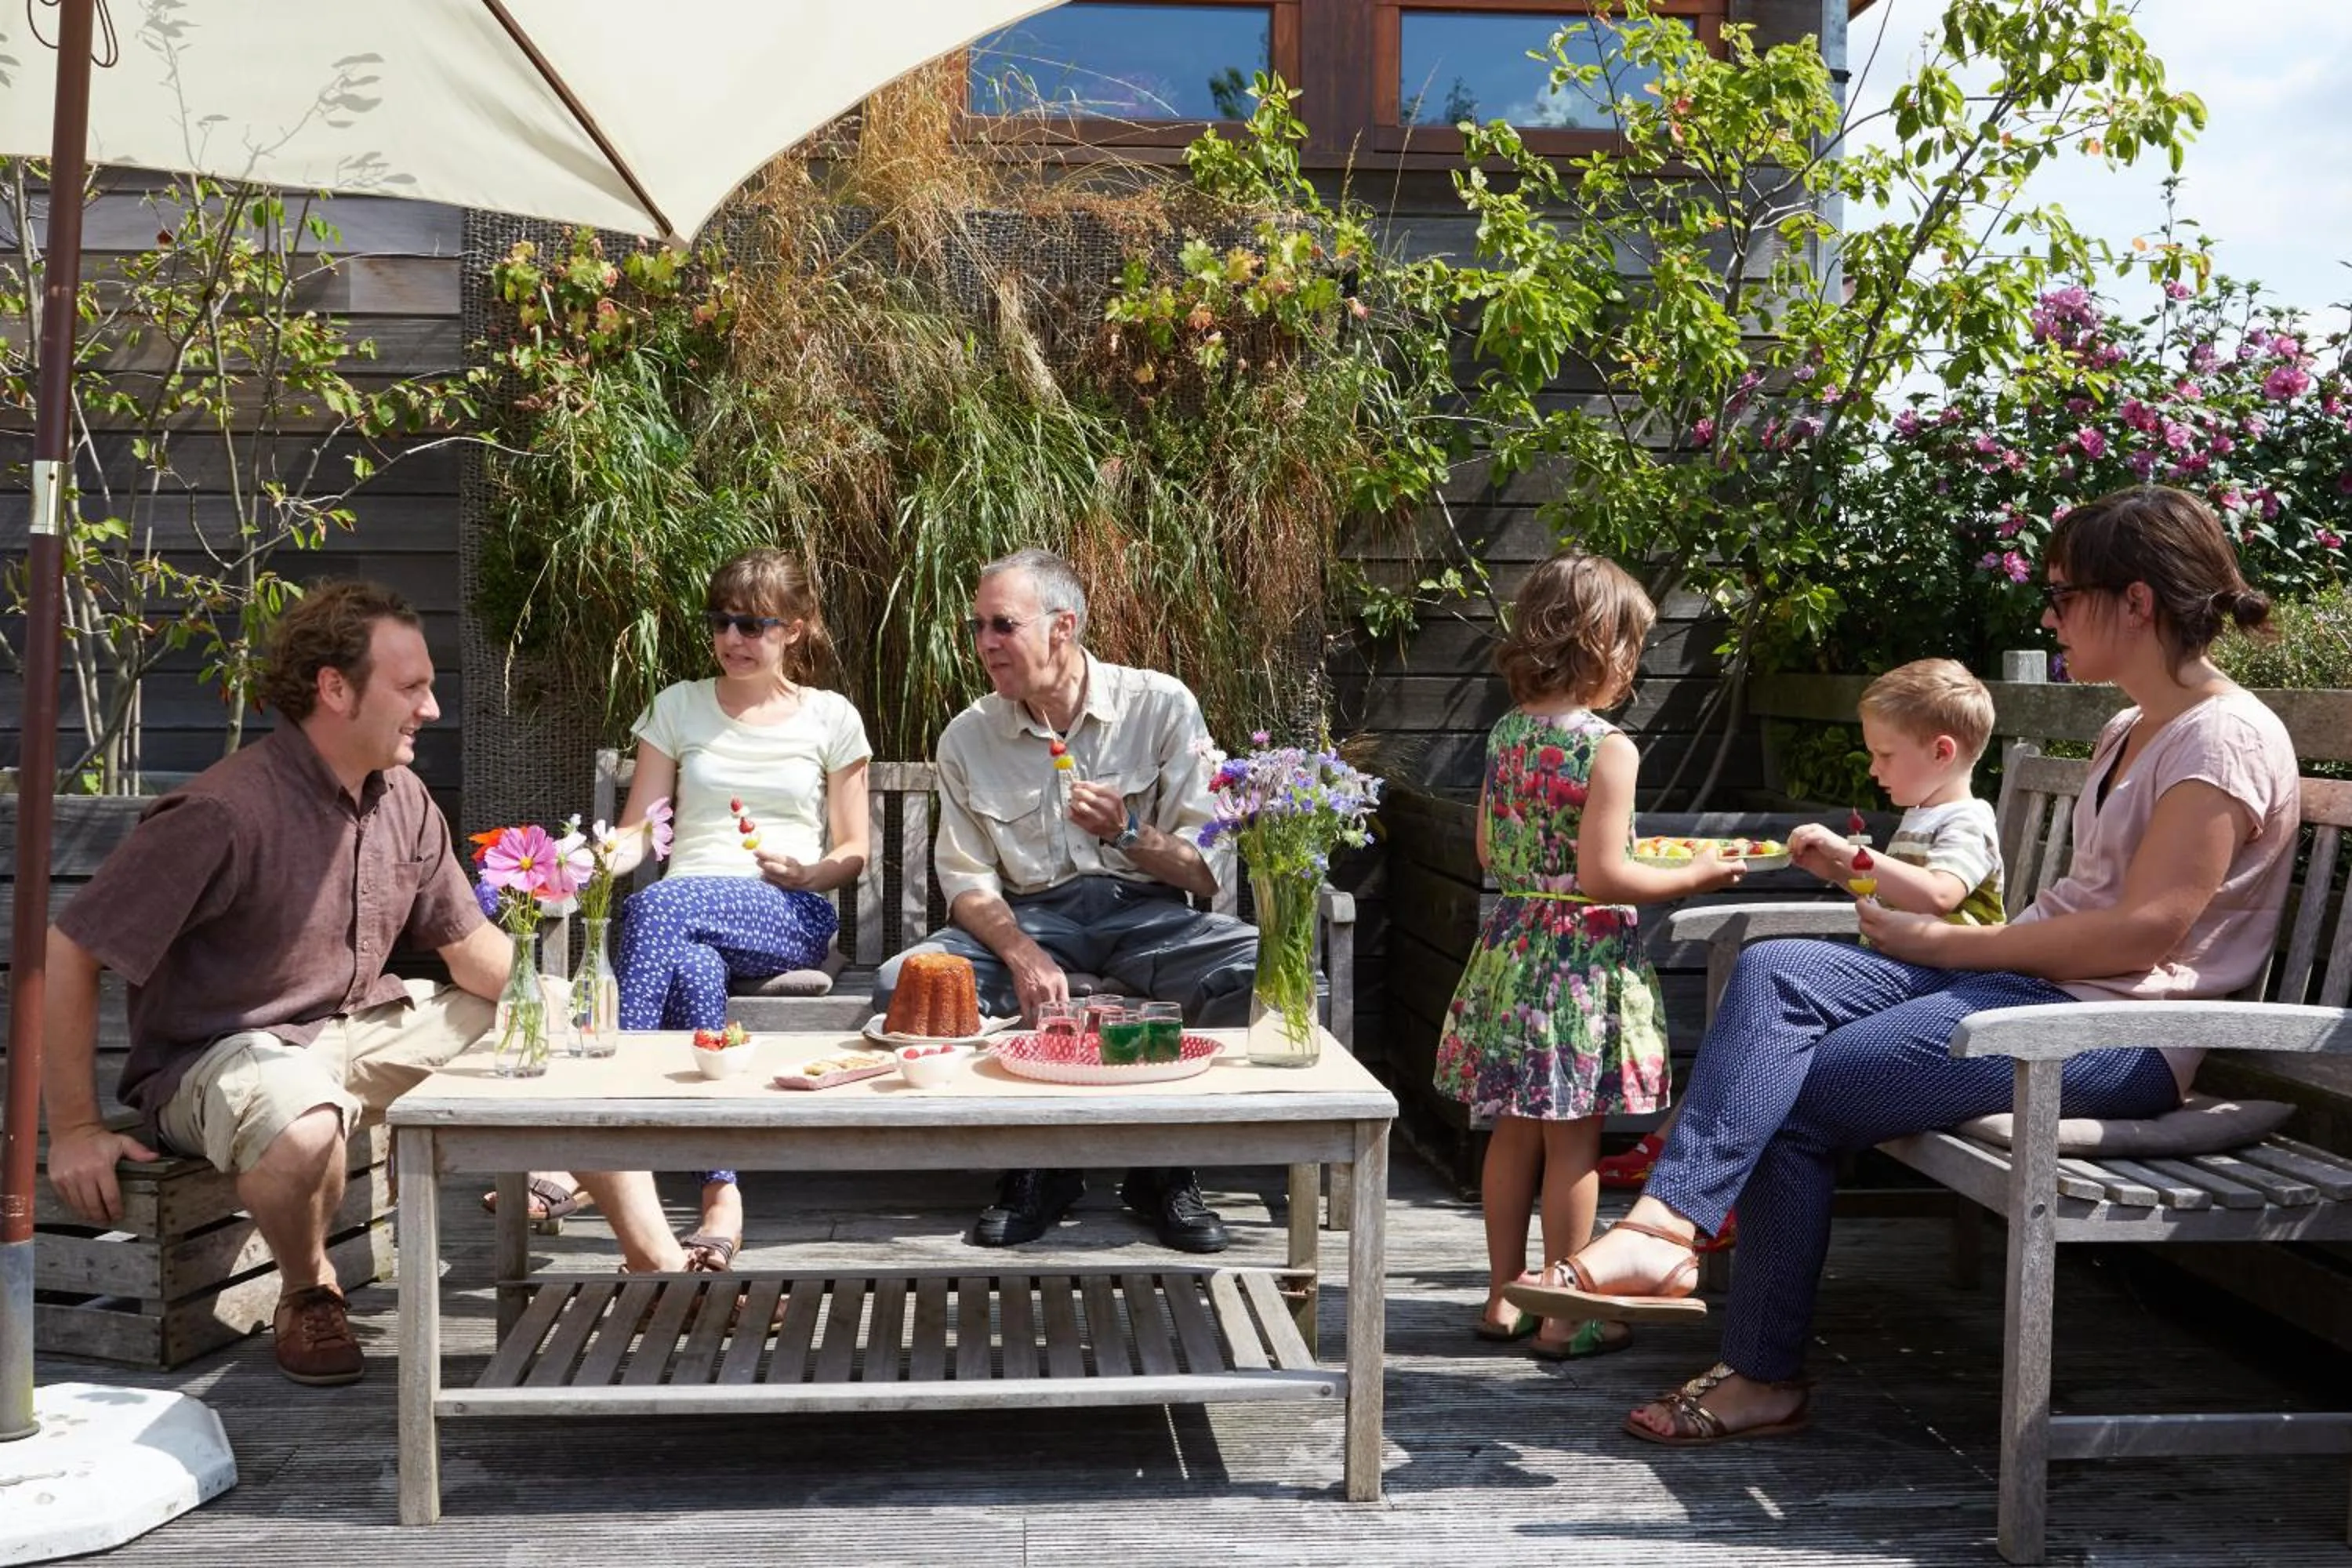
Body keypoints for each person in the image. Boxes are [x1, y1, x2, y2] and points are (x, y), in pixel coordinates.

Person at [1506, 485, 2296, 1447]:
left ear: (2134, 600)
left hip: (2120, 1035)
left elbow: (2143, 935)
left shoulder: (2226, 739)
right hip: (2035, 990)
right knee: (1778, 968)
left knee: (1792, 1094)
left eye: (2060, 592)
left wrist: (1953, 945)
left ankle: (1755, 1365)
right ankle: (1669, 1230)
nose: (2046, 614)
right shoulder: (2125, 728)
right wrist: (1952, 946)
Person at [42, 581, 511, 1386]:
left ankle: (656, 1268)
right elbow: (70, 945)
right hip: (219, 1058)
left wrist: (568, 1015)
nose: (430, 708)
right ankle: (308, 1290)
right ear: (335, 688)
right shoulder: (221, 813)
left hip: (353, 1027)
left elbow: (470, 950)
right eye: (411, 687)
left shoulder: (402, 795)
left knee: (554, 1033)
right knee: (302, 1119)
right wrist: (77, 1127)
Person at [872, 548, 1256, 1253]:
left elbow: (1205, 874)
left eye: (1002, 625)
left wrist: (1129, 832)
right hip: (1034, 919)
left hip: (1150, 917)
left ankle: (1163, 1165)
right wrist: (1021, 954)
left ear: (1062, 627)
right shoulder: (970, 735)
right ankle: (1037, 1163)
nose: (986, 643)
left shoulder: (1161, 706)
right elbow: (967, 881)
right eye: (978, 627)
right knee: (906, 981)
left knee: (1265, 978)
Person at [1435, 554, 1744, 1359]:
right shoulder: (1609, 749)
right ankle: (1568, 1316)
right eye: (1632, 649)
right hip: (1577, 962)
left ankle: (1505, 1299)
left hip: (1513, 943)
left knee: (1511, 1130)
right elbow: (1607, 873)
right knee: (1575, 1140)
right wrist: (1696, 871)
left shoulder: (1507, 732)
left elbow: (1486, 847)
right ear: (1602, 645)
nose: (1634, 668)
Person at [564, 547, 873, 1275]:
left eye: (754, 624)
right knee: (692, 967)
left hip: (787, 912)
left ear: (794, 629)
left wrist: (812, 870)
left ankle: (598, 1131)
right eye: (722, 622)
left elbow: (855, 847)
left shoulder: (830, 717)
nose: (734, 638)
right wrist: (578, 864)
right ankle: (721, 1197)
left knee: (660, 909)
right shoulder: (678, 706)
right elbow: (641, 829)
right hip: (684, 916)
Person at [1598, 658, 2009, 1192]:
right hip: (1903, 979)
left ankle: (1687, 1169)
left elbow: (1938, 895)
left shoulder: (1967, 821)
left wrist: (1851, 854)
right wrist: (1836, 870)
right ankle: (1680, 1159)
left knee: (1763, 1034)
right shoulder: (1926, 814)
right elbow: (1901, 895)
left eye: (1884, 755)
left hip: (1946, 989)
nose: (1873, 769)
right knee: (1751, 1034)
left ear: (1942, 752)